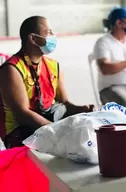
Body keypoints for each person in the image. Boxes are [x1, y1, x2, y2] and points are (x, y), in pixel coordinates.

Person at [0, 16, 94, 148]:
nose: (53, 36)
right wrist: (56, 129)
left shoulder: (53, 65)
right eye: (48, 32)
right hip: (20, 132)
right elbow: (22, 114)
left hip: (49, 123)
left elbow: (65, 103)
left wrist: (84, 110)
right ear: (33, 38)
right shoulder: (11, 69)